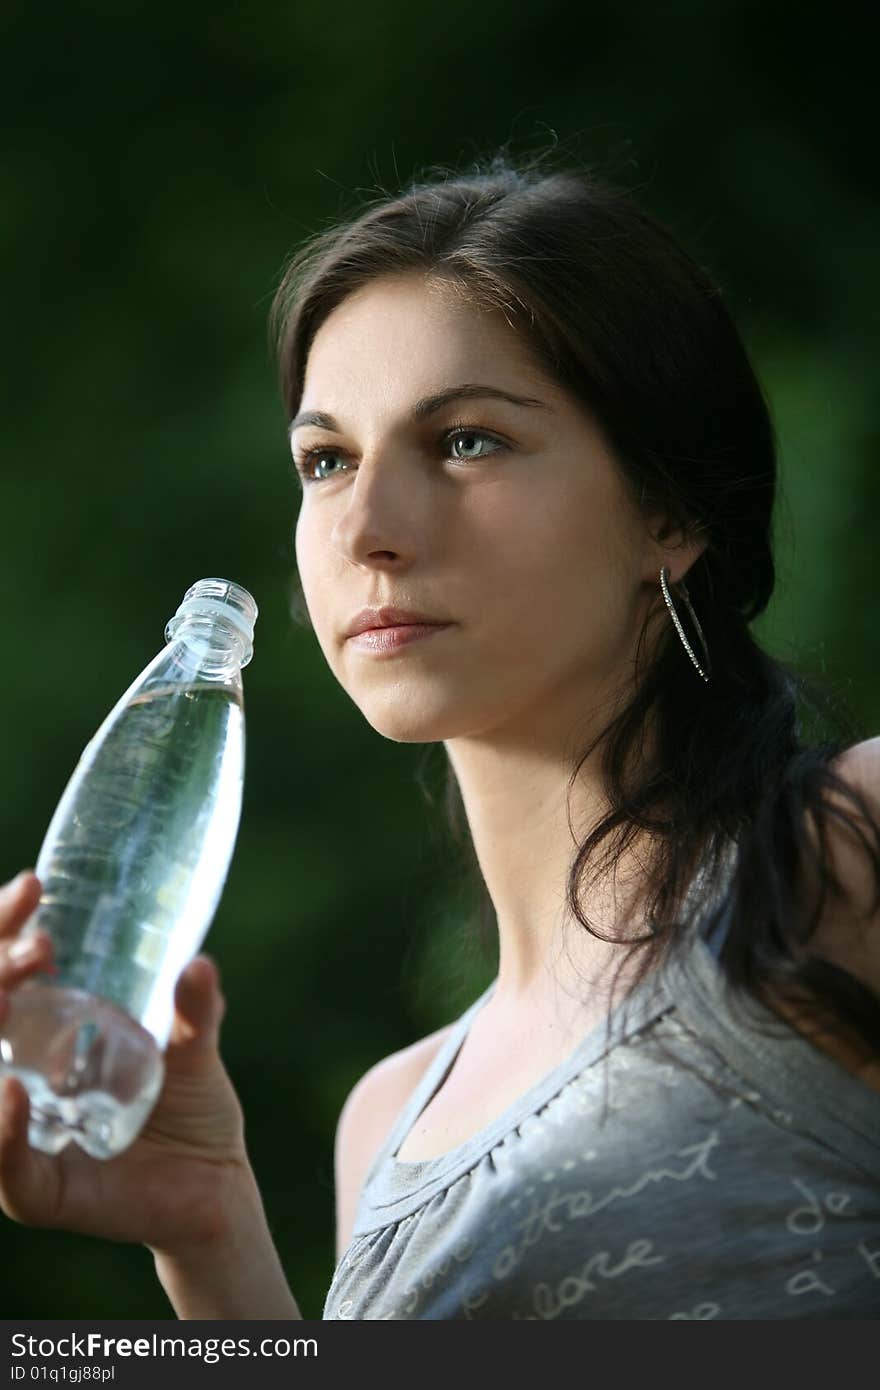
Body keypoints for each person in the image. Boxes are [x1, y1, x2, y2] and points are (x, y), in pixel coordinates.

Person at [1, 149, 879, 1320]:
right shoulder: (387, 1119)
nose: (367, 526)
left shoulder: (839, 861)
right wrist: (211, 1239)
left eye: (465, 439)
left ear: (670, 510)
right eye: (327, 460)